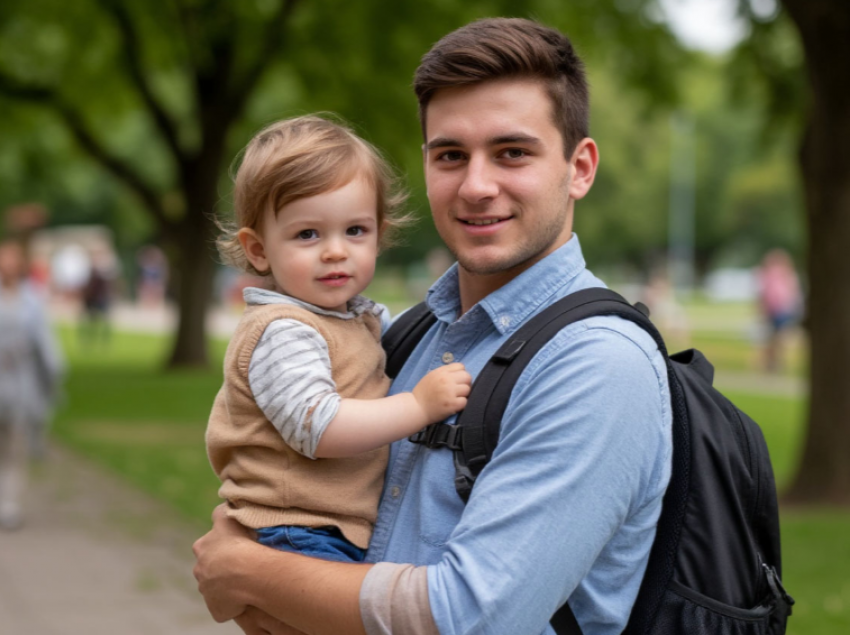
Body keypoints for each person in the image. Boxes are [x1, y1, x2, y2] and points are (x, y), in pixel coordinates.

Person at [193, 18, 672, 635]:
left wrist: (250, 572)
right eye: (451, 155)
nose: (476, 186)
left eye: (512, 153)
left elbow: (474, 617)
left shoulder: (596, 364)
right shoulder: (412, 335)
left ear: (579, 167)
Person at [207, 115, 472, 564]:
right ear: (258, 250)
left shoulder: (354, 318)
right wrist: (419, 407)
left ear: (378, 236)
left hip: (330, 526)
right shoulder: (283, 330)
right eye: (307, 234)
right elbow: (319, 427)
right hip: (295, 528)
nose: (335, 250)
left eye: (355, 231)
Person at [0, 238, 64, 529]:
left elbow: (47, 350)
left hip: (21, 387)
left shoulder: (31, 299)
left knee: (15, 448)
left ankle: (9, 504)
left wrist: (52, 383)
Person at [756, 248, 802, 373]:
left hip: (779, 310)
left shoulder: (772, 274)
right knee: (776, 338)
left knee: (775, 338)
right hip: (778, 310)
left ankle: (773, 363)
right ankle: (773, 363)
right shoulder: (783, 274)